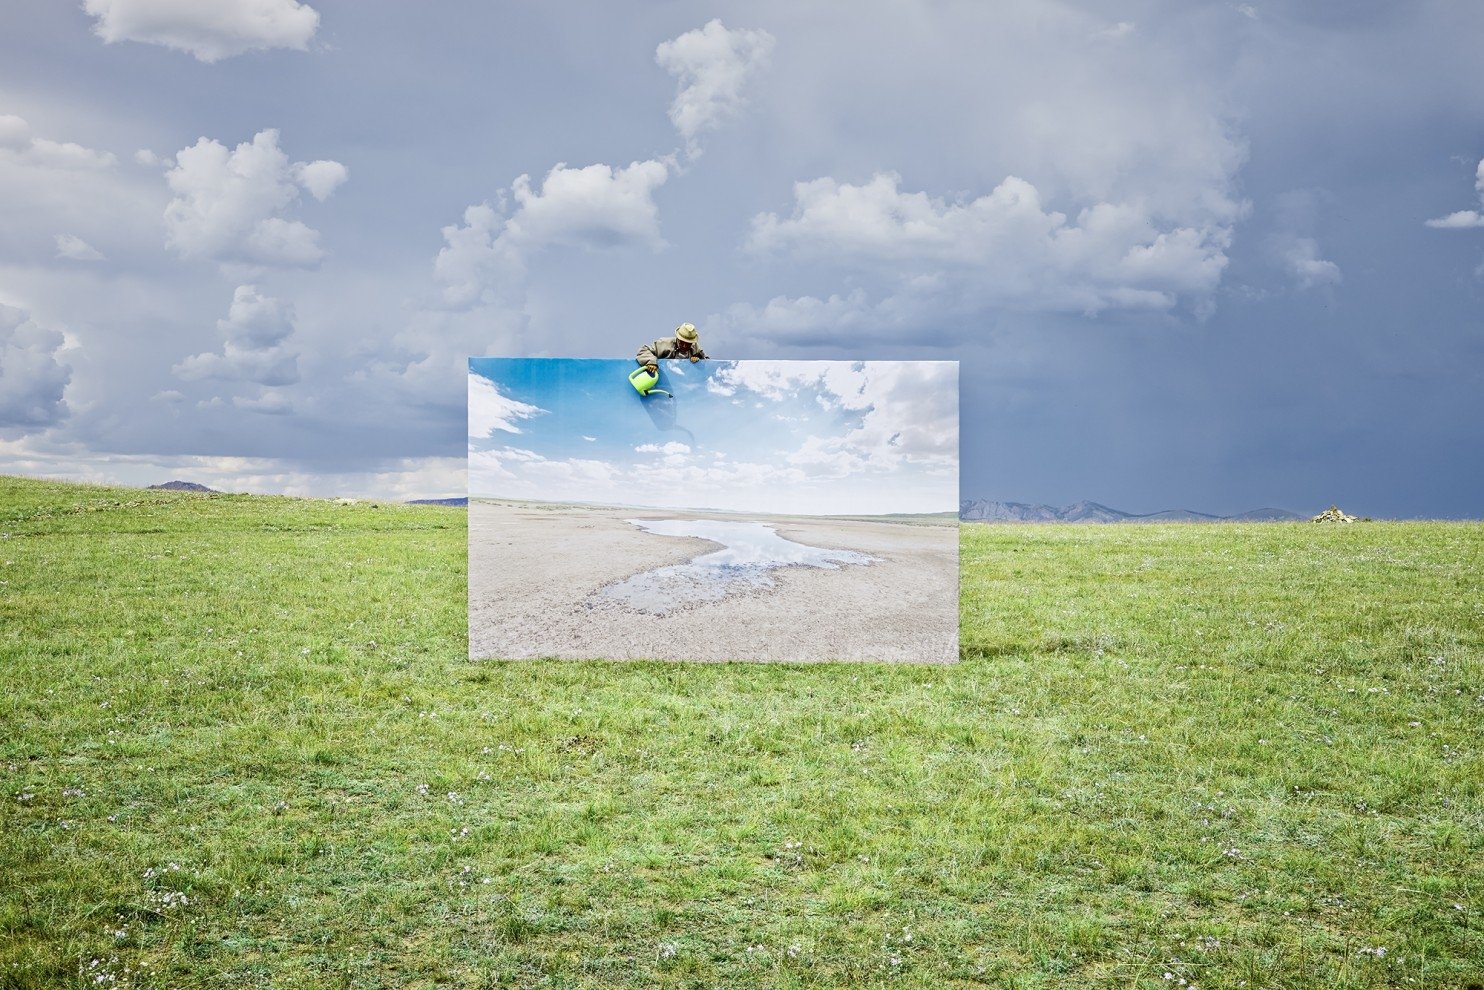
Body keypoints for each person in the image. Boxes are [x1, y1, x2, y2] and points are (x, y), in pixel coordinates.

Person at [637, 323, 708, 375]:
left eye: (688, 343)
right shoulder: (665, 344)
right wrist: (651, 362)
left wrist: (698, 360)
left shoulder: (695, 348)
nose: (684, 346)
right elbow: (643, 350)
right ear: (678, 338)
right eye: (682, 342)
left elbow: (708, 363)